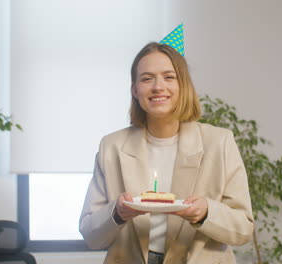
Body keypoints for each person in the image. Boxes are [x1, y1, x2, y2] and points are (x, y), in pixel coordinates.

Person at [79, 42, 254, 264]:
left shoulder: (219, 142)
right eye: (146, 78)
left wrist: (206, 212)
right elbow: (91, 236)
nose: (158, 87)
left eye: (169, 77)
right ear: (134, 89)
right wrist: (117, 212)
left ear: (184, 85)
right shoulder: (111, 146)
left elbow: (243, 229)